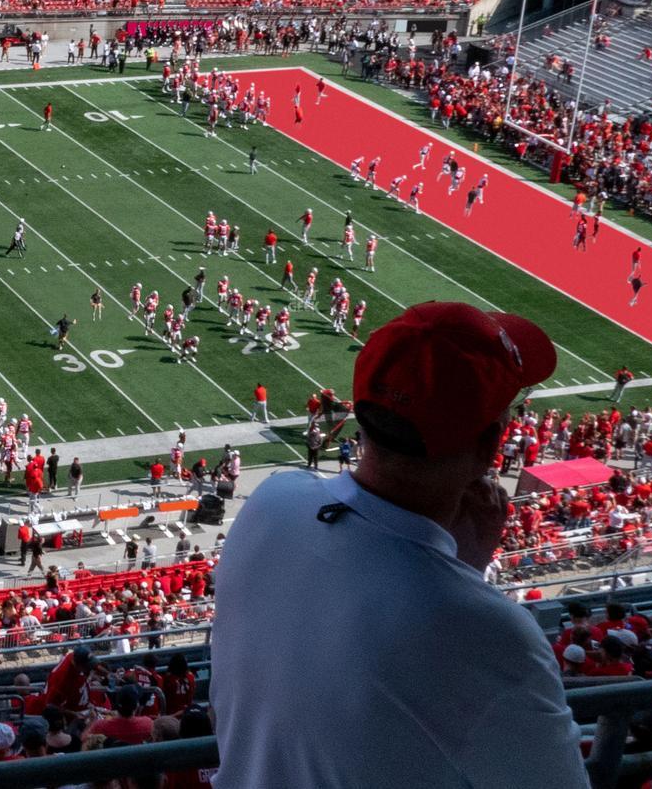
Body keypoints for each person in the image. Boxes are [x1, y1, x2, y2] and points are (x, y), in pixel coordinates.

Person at [211, 301, 585, 789]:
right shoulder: (492, 632)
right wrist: (466, 576)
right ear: (493, 443)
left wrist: (456, 570)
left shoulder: (271, 502)